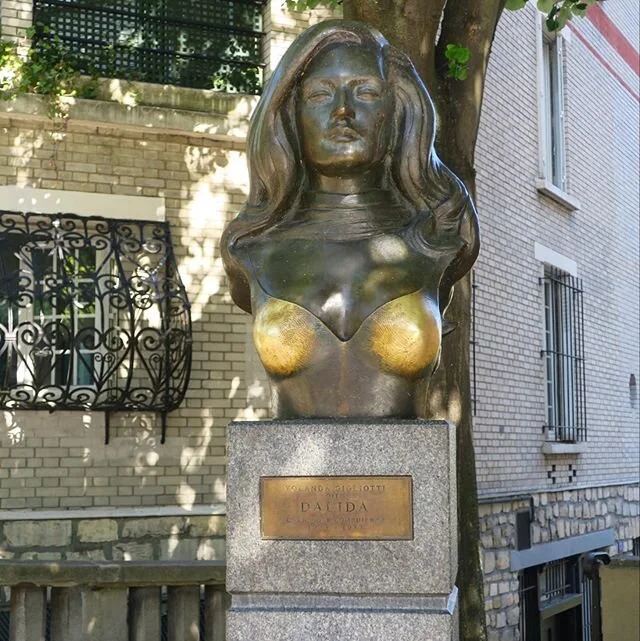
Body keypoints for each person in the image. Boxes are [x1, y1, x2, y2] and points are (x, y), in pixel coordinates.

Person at [222, 20, 479, 419]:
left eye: (366, 92)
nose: (343, 111)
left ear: (396, 111)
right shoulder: (249, 248)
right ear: (290, 114)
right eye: (320, 94)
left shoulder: (439, 240)